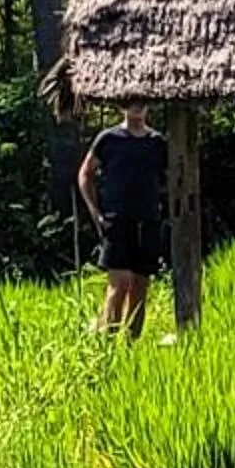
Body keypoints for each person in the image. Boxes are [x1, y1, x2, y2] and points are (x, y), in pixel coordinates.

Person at [77, 104, 169, 339]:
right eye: (131, 101)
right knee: (120, 283)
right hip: (117, 222)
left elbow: (172, 176)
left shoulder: (158, 143)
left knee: (140, 286)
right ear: (122, 106)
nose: (137, 106)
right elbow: (85, 173)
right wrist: (95, 212)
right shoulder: (108, 139)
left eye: (141, 101)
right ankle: (107, 343)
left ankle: (131, 348)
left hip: (148, 221)